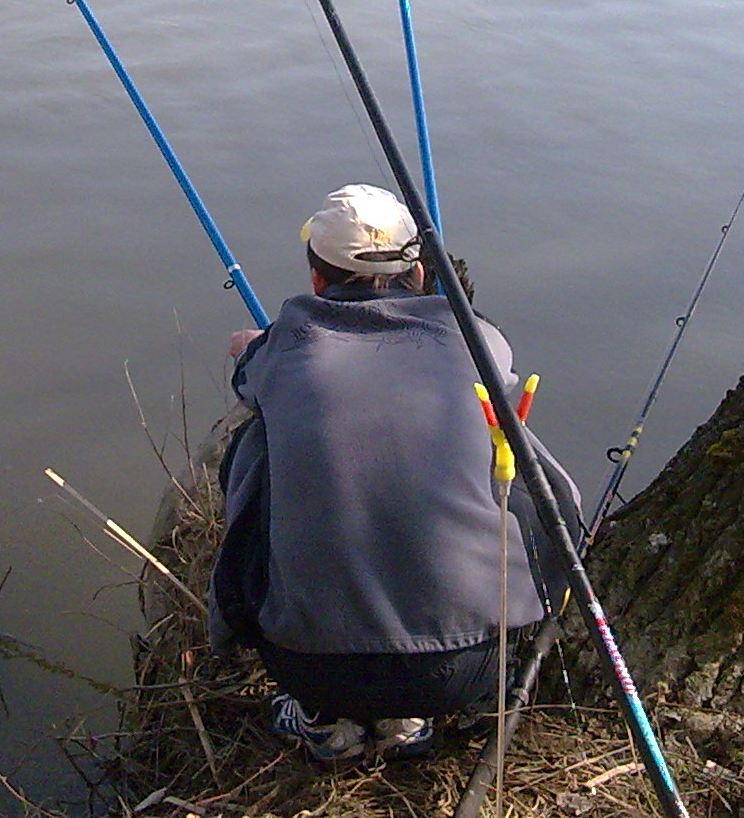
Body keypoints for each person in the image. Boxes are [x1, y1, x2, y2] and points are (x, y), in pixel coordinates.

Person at [209, 185, 582, 764]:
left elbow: (249, 380)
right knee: (500, 437)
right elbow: (491, 366)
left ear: (316, 279)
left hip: (310, 667)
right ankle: (407, 721)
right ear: (420, 272)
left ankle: (326, 725)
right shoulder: (476, 339)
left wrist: (254, 347)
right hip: (464, 667)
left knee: (255, 444)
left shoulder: (284, 346)